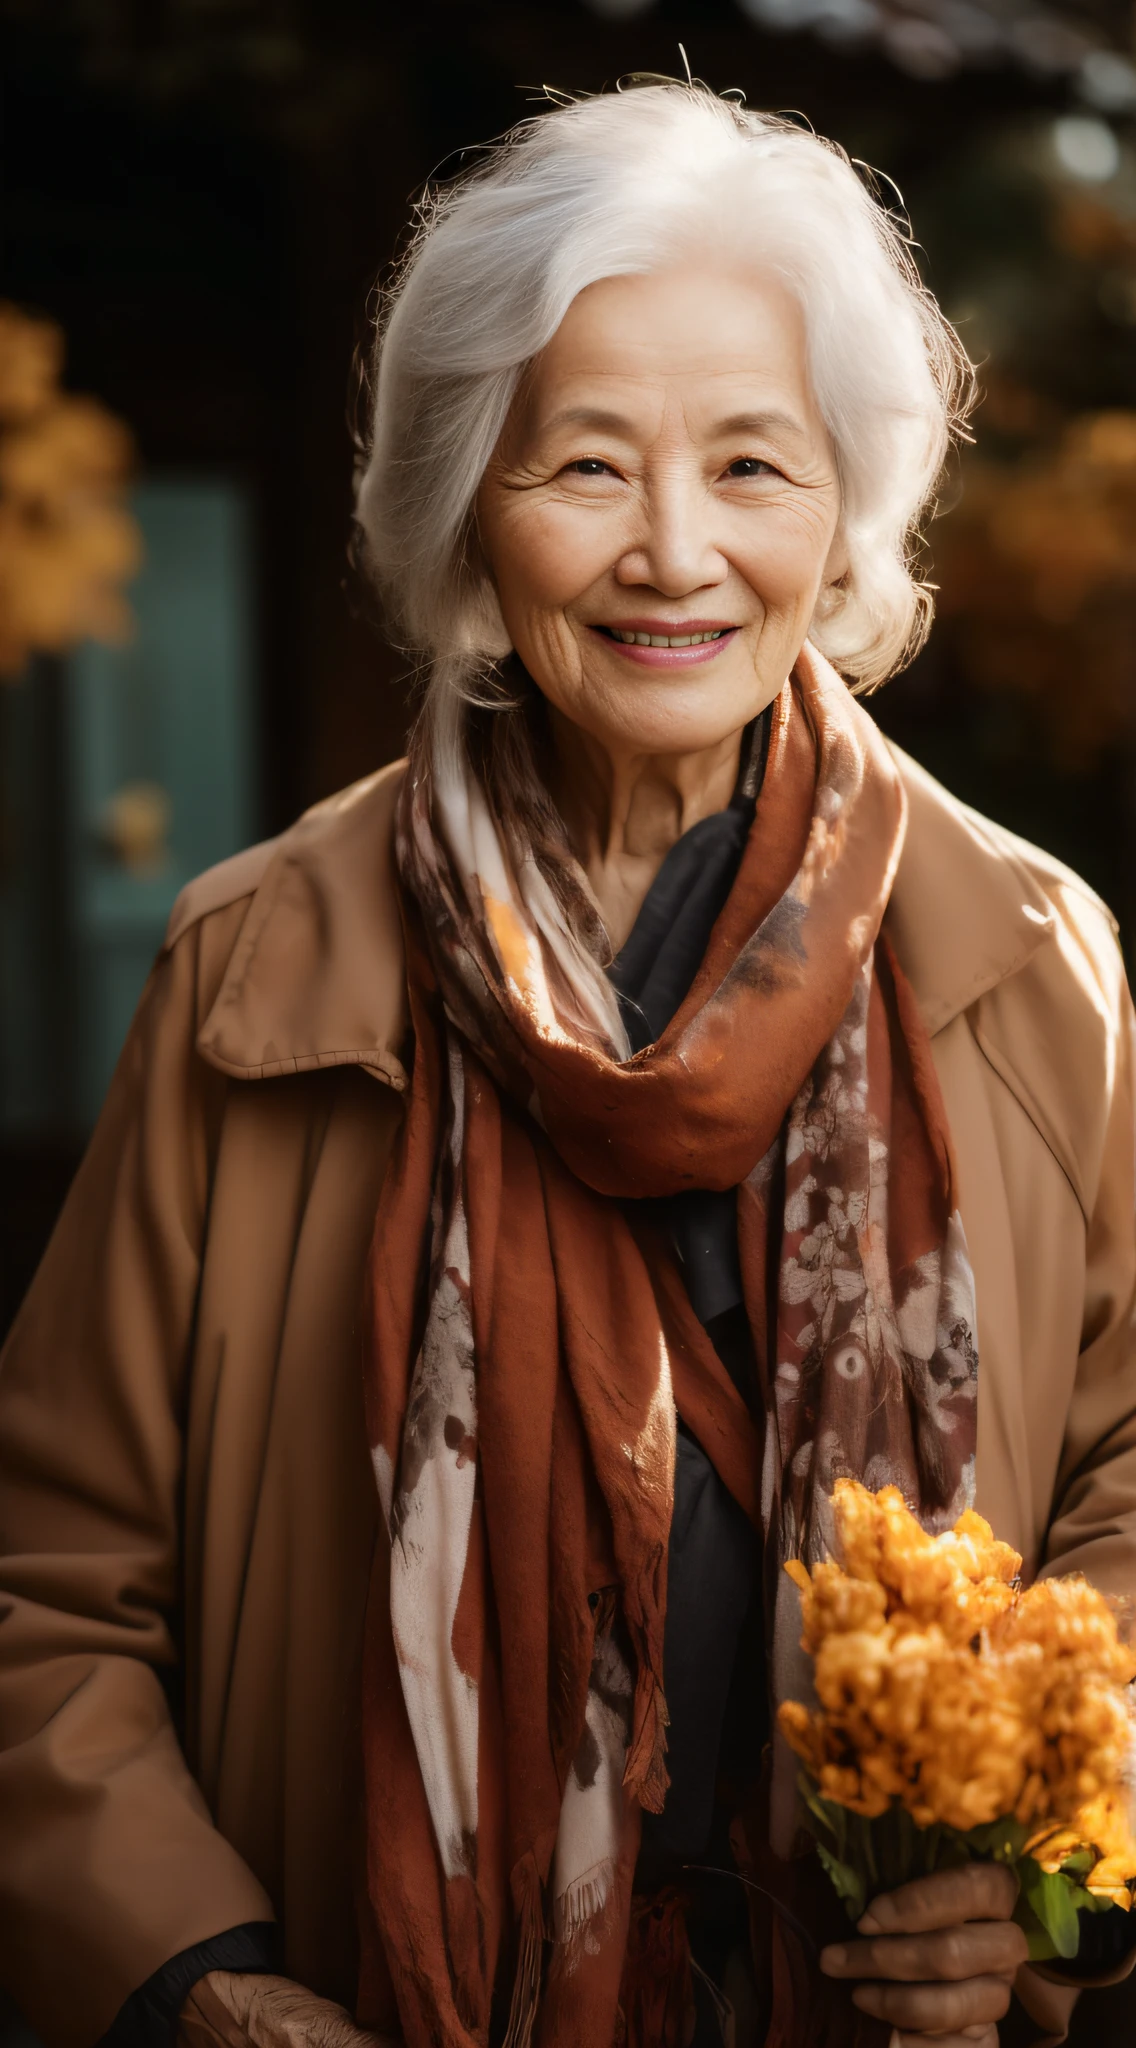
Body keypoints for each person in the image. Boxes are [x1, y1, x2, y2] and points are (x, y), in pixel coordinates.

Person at [1, 81, 1134, 2048]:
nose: (672, 553)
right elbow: (42, 1587)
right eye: (586, 467)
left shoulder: (1026, 965)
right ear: (468, 505)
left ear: (842, 516)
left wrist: (1052, 1885)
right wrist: (195, 1978)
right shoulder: (259, 973)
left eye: (752, 467)